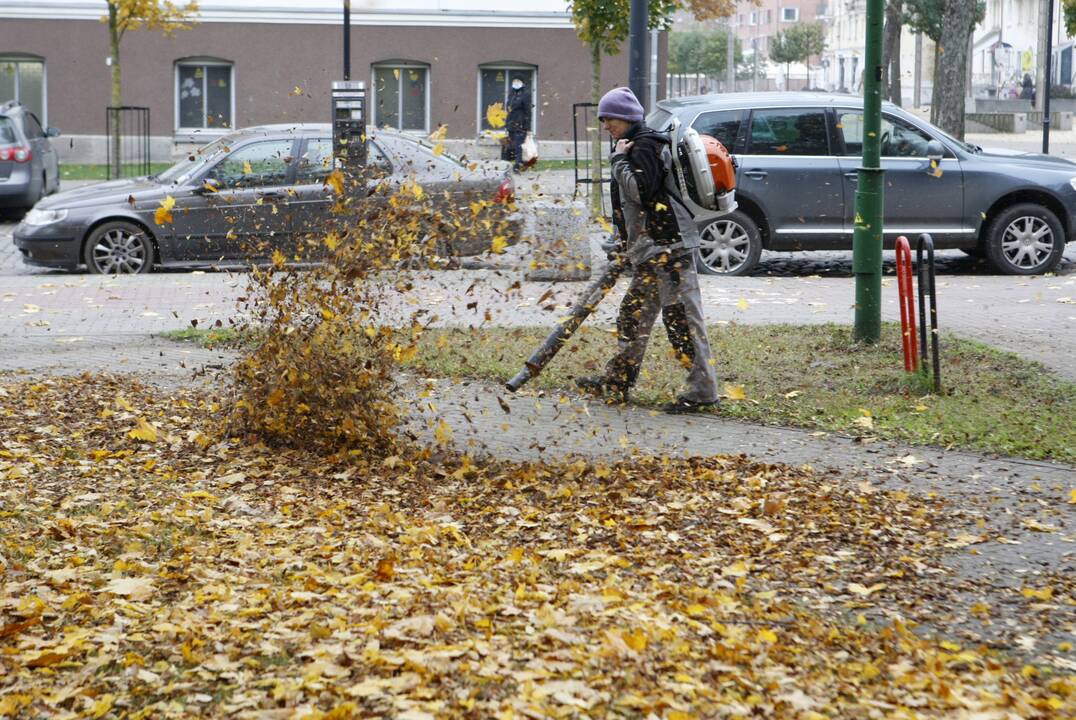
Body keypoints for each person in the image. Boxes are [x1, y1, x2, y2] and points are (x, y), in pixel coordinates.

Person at [575, 86, 720, 413]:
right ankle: (617, 382)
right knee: (632, 316)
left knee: (682, 321)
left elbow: (640, 191)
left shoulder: (645, 146)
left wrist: (618, 161)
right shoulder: (633, 146)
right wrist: (624, 242)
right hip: (651, 253)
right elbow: (631, 207)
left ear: (626, 118)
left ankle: (703, 391)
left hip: (670, 251)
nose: (605, 125)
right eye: (602, 119)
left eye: (609, 118)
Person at [501, 78, 532, 173]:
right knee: (510, 146)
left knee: (518, 146)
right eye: (514, 81)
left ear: (522, 83)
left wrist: (527, 126)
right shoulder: (511, 94)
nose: (516, 83)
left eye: (518, 81)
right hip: (511, 124)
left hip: (520, 125)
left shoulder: (526, 95)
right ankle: (507, 165)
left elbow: (528, 111)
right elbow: (508, 110)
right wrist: (507, 124)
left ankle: (517, 166)